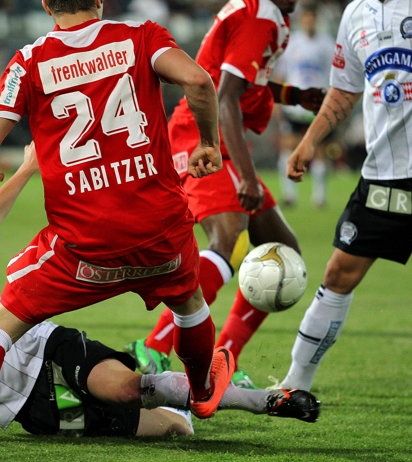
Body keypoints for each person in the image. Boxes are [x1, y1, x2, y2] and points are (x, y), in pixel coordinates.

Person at [0, 145, 321, 462]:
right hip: (28, 405)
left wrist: (25, 168)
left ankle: (269, 401)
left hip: (46, 344)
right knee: (175, 427)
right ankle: (201, 394)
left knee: (127, 386)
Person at [0, 0, 231, 459]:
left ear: (45, 4)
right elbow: (198, 80)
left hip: (84, 248)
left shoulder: (30, 61)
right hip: (159, 232)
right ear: (99, 0)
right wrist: (209, 142)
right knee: (189, 301)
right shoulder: (140, 37)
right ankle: (200, 390)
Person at [124, 0, 324, 389]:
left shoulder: (266, 13)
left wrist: (292, 96)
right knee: (229, 241)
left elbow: (240, 80)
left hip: (218, 141)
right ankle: (153, 346)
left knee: (284, 251)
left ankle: (224, 358)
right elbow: (227, 94)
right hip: (202, 137)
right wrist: (248, 179)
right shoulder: (260, 16)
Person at [279, 0, 412, 392]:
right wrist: (310, 141)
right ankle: (293, 385)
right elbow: (345, 90)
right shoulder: (354, 14)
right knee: (336, 275)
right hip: (383, 176)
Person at [273, 3, 336, 208]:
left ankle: (319, 197)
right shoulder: (291, 43)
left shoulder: (327, 44)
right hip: (293, 105)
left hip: (318, 105)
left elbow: (333, 76)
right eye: (306, 17)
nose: (309, 21)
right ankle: (289, 195)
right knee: (288, 147)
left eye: (312, 17)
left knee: (319, 151)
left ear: (316, 19)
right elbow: (282, 74)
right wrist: (277, 103)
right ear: (302, 19)